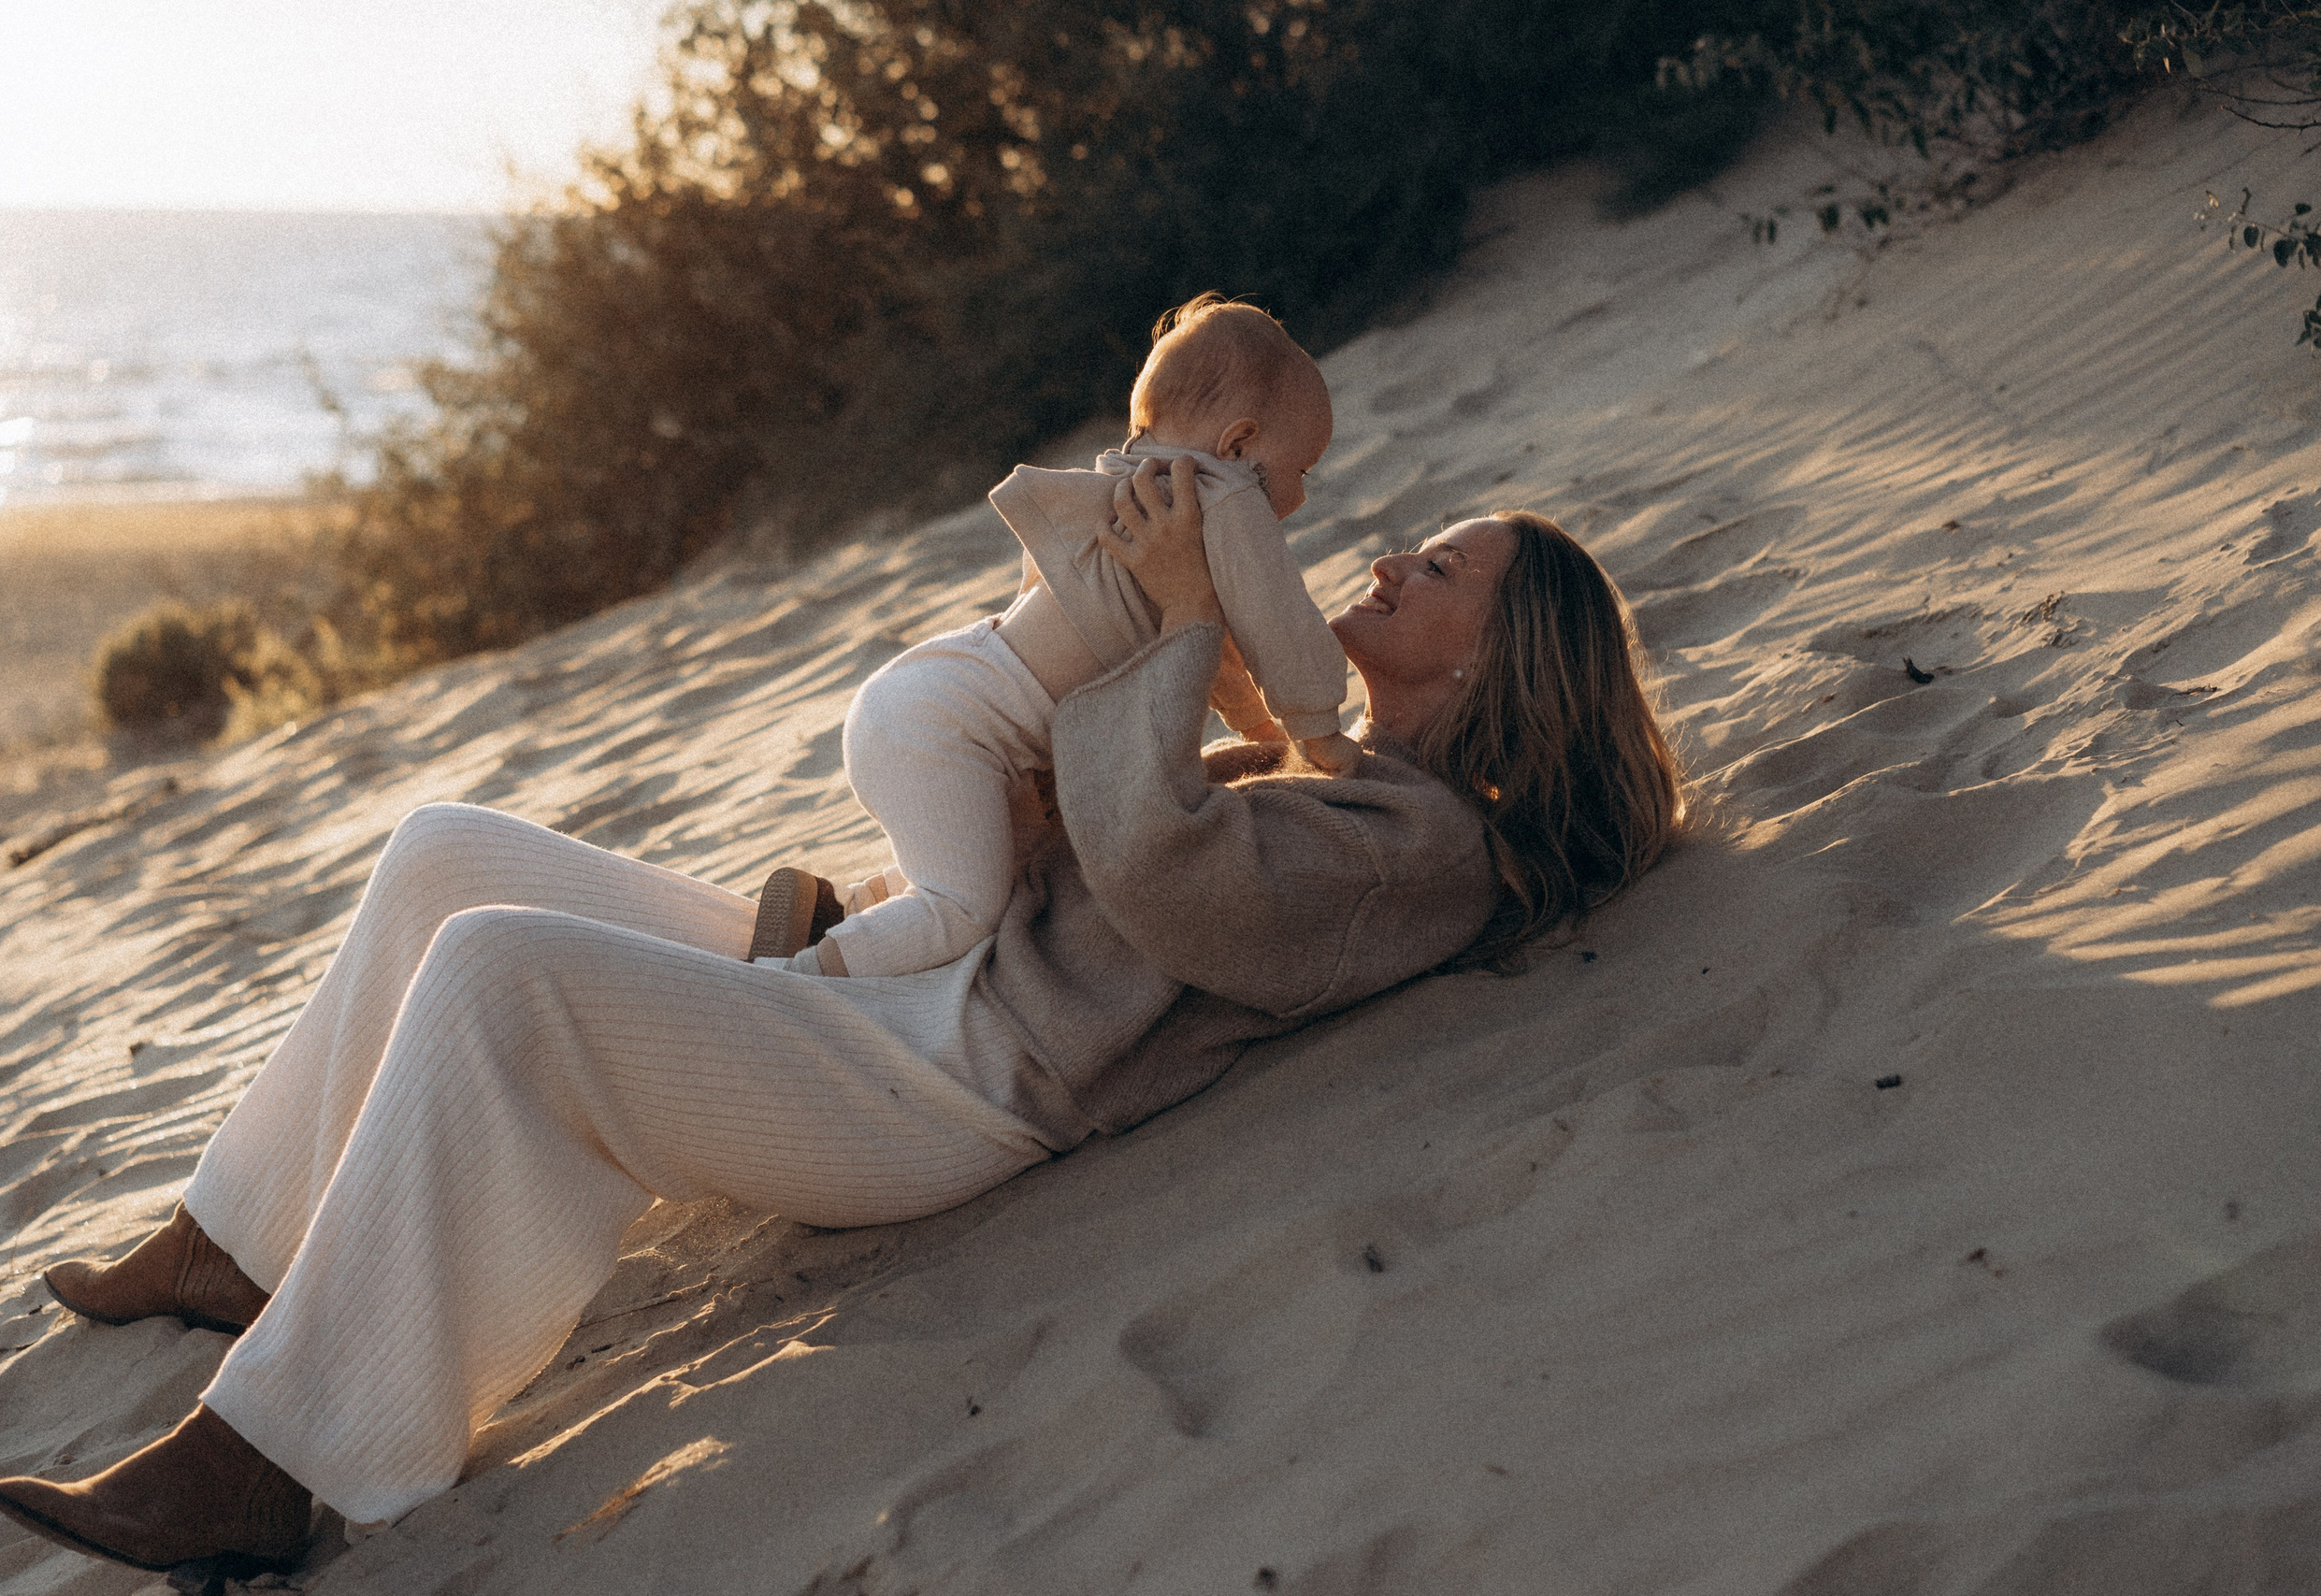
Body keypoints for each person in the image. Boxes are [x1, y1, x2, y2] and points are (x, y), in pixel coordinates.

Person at [0, 481, 1680, 1581]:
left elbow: (1171, 883)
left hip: (949, 1080)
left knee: (505, 972)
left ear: (1499, 658)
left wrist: (1182, 627)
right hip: (911, 982)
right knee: (452, 852)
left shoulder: (1426, 850)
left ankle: (285, 1460)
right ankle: (243, 1242)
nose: (1390, 561)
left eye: (1439, 570)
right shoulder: (1342, 775)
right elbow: (1105, 837)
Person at [811, 292, 1362, 984]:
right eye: (1301, 469)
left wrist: (1254, 723)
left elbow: (1201, 638)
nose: (1301, 496)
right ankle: (797, 980)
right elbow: (1280, 622)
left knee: (1003, 858)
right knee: (964, 909)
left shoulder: (1132, 484)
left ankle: (844, 911)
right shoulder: (1227, 496)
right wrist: (1317, 728)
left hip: (933, 691)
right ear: (1239, 445)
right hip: (947, 729)